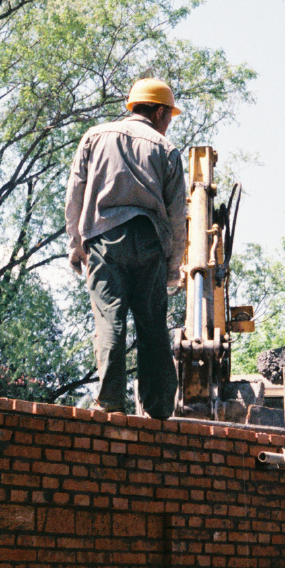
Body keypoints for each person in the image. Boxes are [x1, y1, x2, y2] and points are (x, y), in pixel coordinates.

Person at [64, 78, 188, 419]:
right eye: (170, 116)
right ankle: (160, 408)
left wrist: (77, 246)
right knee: (152, 325)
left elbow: (74, 196)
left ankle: (110, 403)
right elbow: (178, 216)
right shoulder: (166, 150)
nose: (169, 123)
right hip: (151, 242)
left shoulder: (95, 136)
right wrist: (173, 268)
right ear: (160, 111)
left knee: (110, 318)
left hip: (104, 237)